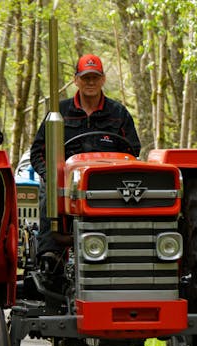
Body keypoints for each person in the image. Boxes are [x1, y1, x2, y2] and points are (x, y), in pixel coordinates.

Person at [30, 53, 141, 260]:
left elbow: (132, 151)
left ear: (103, 79)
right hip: (66, 181)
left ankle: (129, 245)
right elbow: (38, 151)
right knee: (49, 191)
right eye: (85, 77)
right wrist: (51, 175)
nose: (90, 82)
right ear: (76, 79)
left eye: (95, 77)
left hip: (107, 181)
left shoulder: (118, 113)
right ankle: (50, 251)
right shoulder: (59, 112)